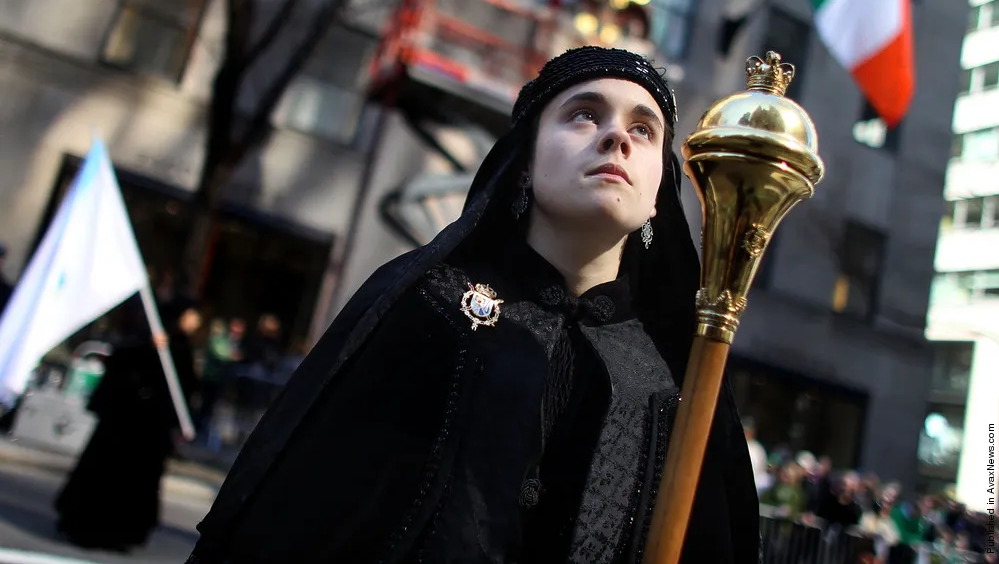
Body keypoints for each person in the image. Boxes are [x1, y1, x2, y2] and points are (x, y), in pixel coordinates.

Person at [186, 47, 761, 563]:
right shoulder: (431, 306)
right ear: (527, 162)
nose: (618, 139)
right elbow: (309, 510)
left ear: (660, 194)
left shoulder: (672, 378)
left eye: (644, 128)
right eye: (584, 113)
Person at [55, 295, 200, 551]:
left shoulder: (181, 348)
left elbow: (184, 388)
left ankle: (122, 533)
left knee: (135, 487)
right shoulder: (143, 340)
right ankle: (86, 527)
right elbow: (121, 369)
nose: (196, 321)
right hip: (123, 428)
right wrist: (148, 349)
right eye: (191, 314)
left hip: (151, 433)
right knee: (105, 478)